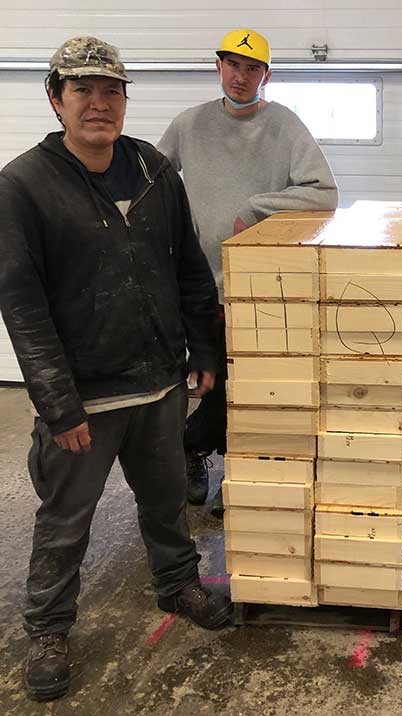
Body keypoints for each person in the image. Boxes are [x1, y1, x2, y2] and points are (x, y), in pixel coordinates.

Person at [0, 37, 232, 702]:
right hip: (86, 396)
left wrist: (203, 352)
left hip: (159, 382)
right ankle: (47, 628)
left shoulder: (155, 170)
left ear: (126, 100)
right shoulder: (23, 186)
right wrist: (56, 403)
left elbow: (188, 266)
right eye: (82, 91)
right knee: (66, 519)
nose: (98, 104)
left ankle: (178, 583)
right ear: (55, 98)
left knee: (165, 500)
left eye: (111, 91)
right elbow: (21, 303)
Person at [158, 28, 339, 515]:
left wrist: (258, 208)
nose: (241, 77)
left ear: (266, 75)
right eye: (233, 65)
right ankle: (196, 453)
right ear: (218, 67)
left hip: (262, 286)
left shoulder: (284, 125)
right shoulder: (188, 125)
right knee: (210, 378)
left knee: (254, 385)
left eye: (252, 68)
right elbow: (153, 184)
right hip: (198, 285)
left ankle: (221, 466)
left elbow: (323, 192)